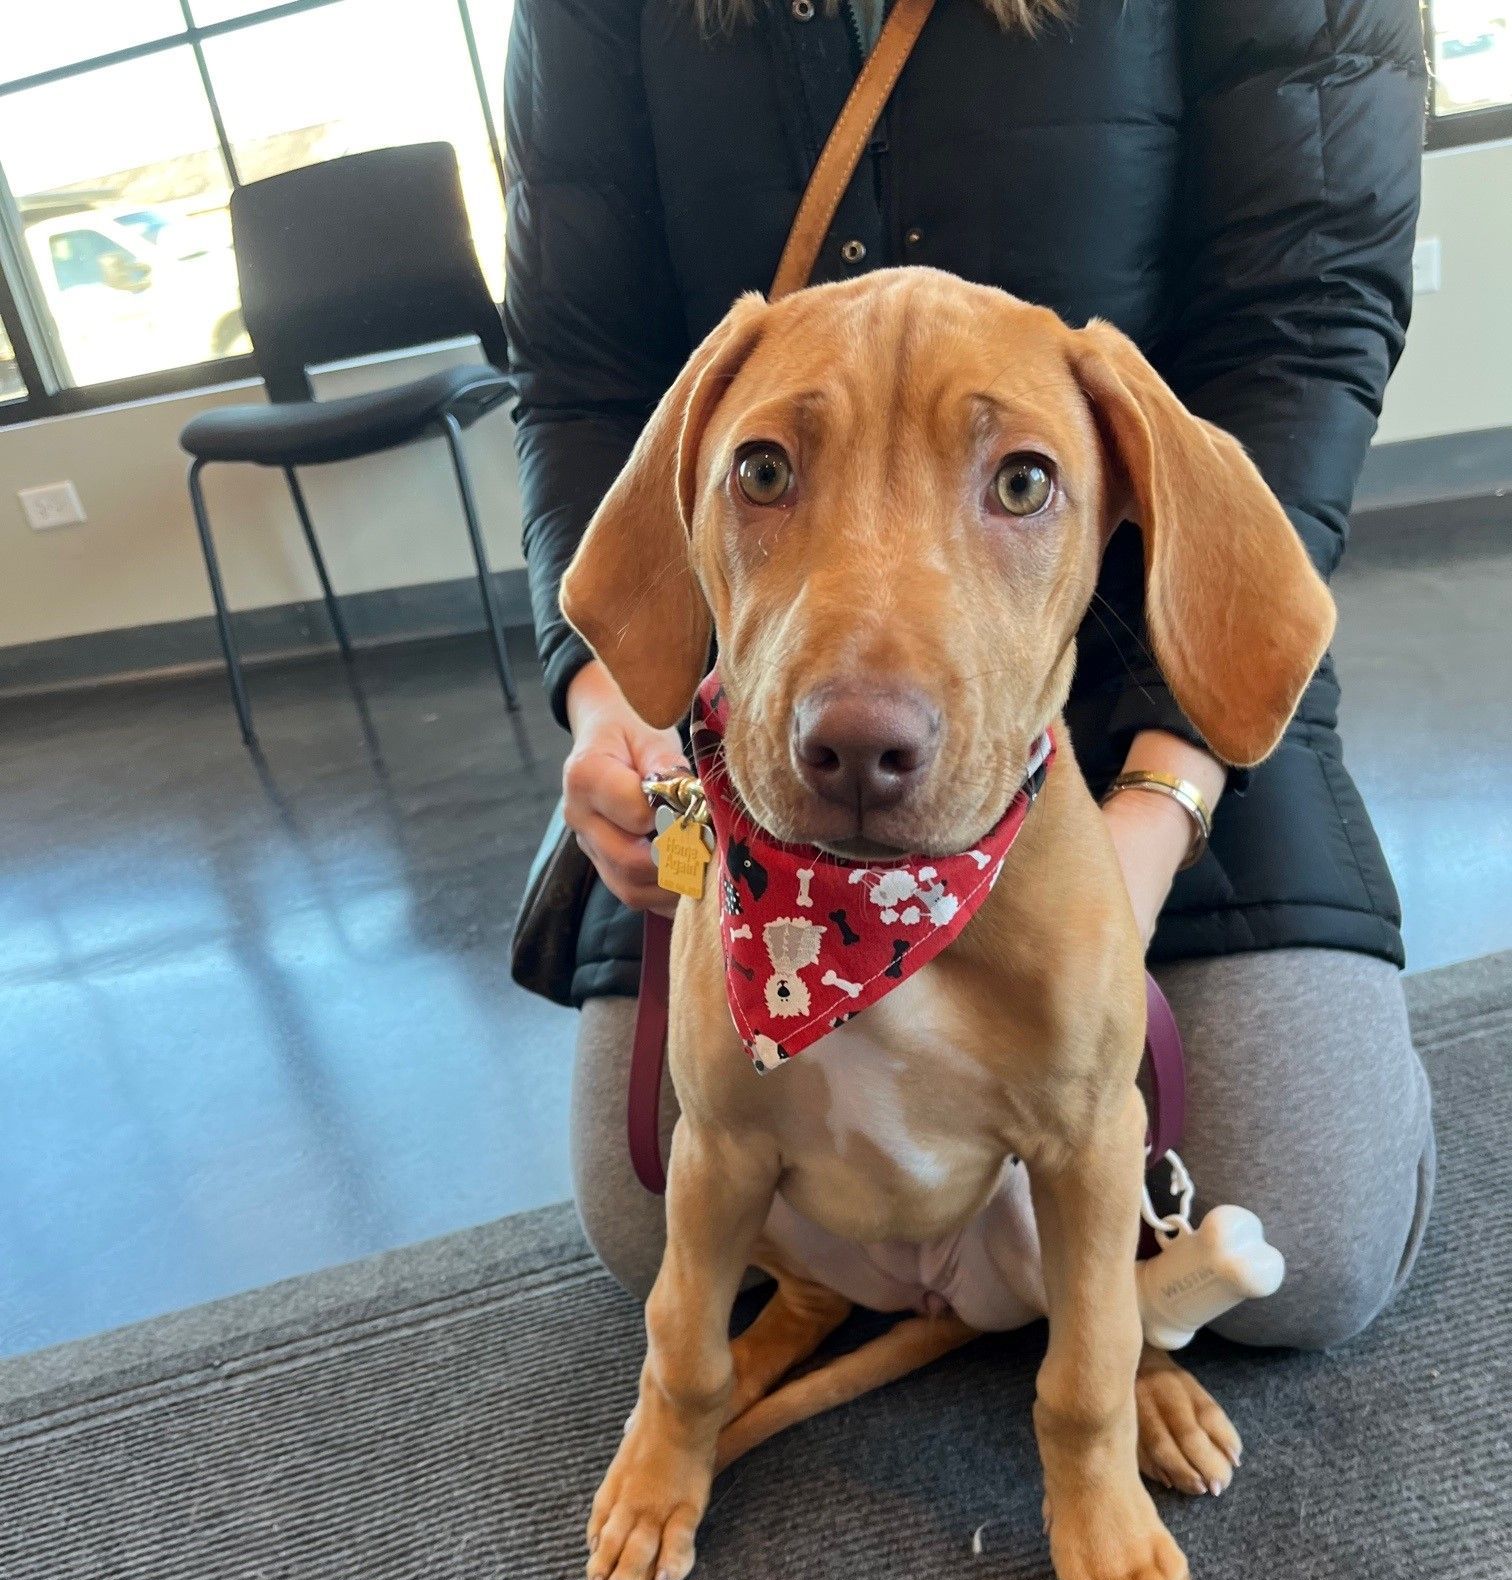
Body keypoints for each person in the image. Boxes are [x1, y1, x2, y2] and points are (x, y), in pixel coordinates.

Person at [502, 0, 1434, 1347]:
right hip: (752, 697)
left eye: (1010, 478)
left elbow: (1300, 325)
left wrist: (1155, 809)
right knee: (644, 1205)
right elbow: (583, 373)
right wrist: (615, 707)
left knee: (1316, 1244)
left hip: (1133, 649)